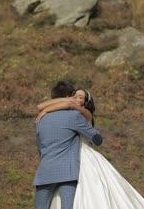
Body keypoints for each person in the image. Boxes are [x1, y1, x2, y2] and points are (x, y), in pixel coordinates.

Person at [38, 89, 144, 209]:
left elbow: (64, 105)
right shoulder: (69, 115)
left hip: (84, 155)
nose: (76, 98)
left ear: (86, 102)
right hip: (69, 157)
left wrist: (46, 110)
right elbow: (40, 106)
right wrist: (58, 103)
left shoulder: (85, 113)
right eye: (74, 96)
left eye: (80, 97)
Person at [34, 81, 103, 209]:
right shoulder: (75, 116)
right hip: (67, 173)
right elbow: (96, 139)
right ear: (69, 97)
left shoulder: (40, 119)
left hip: (45, 171)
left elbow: (39, 146)